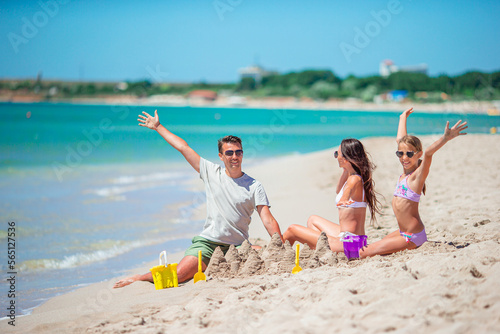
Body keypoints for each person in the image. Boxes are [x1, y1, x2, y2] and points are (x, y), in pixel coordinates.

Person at [114, 110, 282, 288]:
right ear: (221, 156)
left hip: (237, 246)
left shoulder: (254, 186)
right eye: (229, 153)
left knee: (264, 255)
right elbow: (184, 148)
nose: (234, 157)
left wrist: (281, 244)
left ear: (242, 154)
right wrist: (158, 127)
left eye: (238, 152)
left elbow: (268, 219)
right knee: (178, 276)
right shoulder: (211, 172)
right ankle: (140, 277)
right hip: (208, 245)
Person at [360, 108, 468, 258]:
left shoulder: (417, 176)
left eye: (409, 154)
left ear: (418, 154)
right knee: (374, 246)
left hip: (412, 237)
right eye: (400, 153)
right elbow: (401, 141)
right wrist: (402, 117)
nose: (404, 157)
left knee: (365, 252)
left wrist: (445, 138)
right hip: (402, 232)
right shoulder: (405, 172)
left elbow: (429, 152)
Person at [283, 138, 381, 252]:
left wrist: (344, 199)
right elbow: (339, 189)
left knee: (292, 229)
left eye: (337, 154)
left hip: (350, 245)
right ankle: (319, 249)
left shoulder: (354, 179)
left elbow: (347, 190)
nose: (336, 157)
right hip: (353, 239)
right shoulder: (354, 176)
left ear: (345, 157)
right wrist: (345, 169)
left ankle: (277, 252)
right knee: (312, 220)